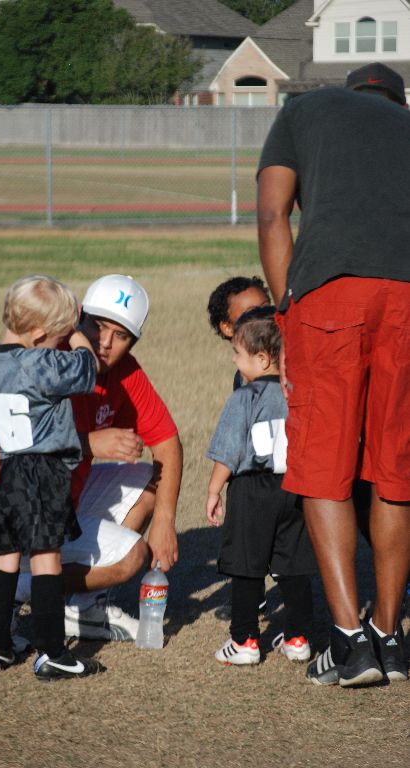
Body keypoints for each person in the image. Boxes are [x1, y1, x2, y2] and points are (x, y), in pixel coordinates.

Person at [257, 62, 410, 686]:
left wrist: (284, 312)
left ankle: (348, 642)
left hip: (331, 292)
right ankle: (389, 636)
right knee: (395, 471)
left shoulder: (305, 109)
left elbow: (273, 215)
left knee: (324, 465)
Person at [0, 274, 183, 646]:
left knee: (149, 480)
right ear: (77, 320)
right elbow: (17, 443)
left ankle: (82, 606)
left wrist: (165, 520)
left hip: (50, 500)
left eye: (120, 335)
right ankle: (4, 591)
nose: (104, 342)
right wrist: (91, 444)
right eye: (97, 326)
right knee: (130, 557)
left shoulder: (123, 370)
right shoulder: (46, 360)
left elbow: (168, 442)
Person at [0, 274, 101, 680]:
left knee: (3, 560)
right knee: (46, 560)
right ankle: (52, 651)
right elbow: (88, 369)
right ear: (40, 334)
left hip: (1, 472)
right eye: (58, 336)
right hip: (39, 473)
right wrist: (78, 335)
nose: (62, 343)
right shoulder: (41, 362)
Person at [206, 307, 315, 666]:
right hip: (293, 486)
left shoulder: (245, 396)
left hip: (252, 490)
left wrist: (214, 490)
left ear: (263, 358)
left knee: (246, 565)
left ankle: (245, 640)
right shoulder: (295, 392)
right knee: (292, 564)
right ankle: (298, 637)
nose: (234, 360)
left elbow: (229, 451)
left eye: (238, 353)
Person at [207, 275, 271, 620]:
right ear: (228, 328)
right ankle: (252, 596)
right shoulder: (245, 377)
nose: (263, 317)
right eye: (250, 313)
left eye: (266, 307)